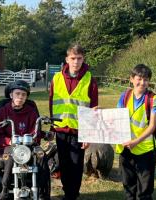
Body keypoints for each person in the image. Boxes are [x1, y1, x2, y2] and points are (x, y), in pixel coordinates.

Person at [49, 44, 98, 200]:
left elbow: (93, 108)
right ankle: (67, 192)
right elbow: (51, 104)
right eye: (73, 58)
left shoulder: (90, 79)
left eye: (79, 58)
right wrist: (52, 126)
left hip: (79, 130)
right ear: (67, 59)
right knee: (64, 163)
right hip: (61, 129)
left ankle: (73, 194)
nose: (76, 62)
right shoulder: (56, 78)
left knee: (76, 165)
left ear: (83, 59)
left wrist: (89, 134)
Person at [0, 80, 50, 200]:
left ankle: (42, 192)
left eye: (23, 95)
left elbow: (36, 132)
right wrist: (9, 141)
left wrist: (34, 138)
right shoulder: (3, 111)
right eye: (17, 94)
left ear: (26, 97)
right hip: (10, 145)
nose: (20, 97)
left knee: (42, 156)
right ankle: (5, 189)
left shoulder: (31, 111)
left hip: (30, 145)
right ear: (11, 95)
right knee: (9, 157)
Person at [116, 64, 156, 200]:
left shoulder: (154, 100)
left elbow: (152, 126)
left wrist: (135, 142)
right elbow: (116, 117)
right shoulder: (125, 96)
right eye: (139, 79)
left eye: (146, 79)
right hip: (125, 149)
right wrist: (100, 111)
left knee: (144, 190)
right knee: (128, 186)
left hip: (145, 150)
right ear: (131, 79)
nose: (142, 83)